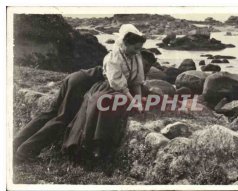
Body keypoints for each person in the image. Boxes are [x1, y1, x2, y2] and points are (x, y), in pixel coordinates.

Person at [14, 40, 156, 162]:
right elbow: (129, 88)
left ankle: (16, 144)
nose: (146, 69)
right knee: (62, 119)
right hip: (82, 84)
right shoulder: (130, 67)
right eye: (146, 65)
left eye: (149, 67)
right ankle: (25, 151)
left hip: (76, 77)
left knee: (50, 113)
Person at [61, 24, 148, 161]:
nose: (137, 52)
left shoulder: (136, 57)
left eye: (139, 48)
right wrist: (134, 101)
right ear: (124, 43)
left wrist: (138, 101)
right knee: (105, 103)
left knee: (123, 101)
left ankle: (103, 146)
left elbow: (137, 82)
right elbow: (119, 85)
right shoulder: (112, 58)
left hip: (125, 90)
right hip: (108, 88)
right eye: (135, 48)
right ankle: (94, 145)